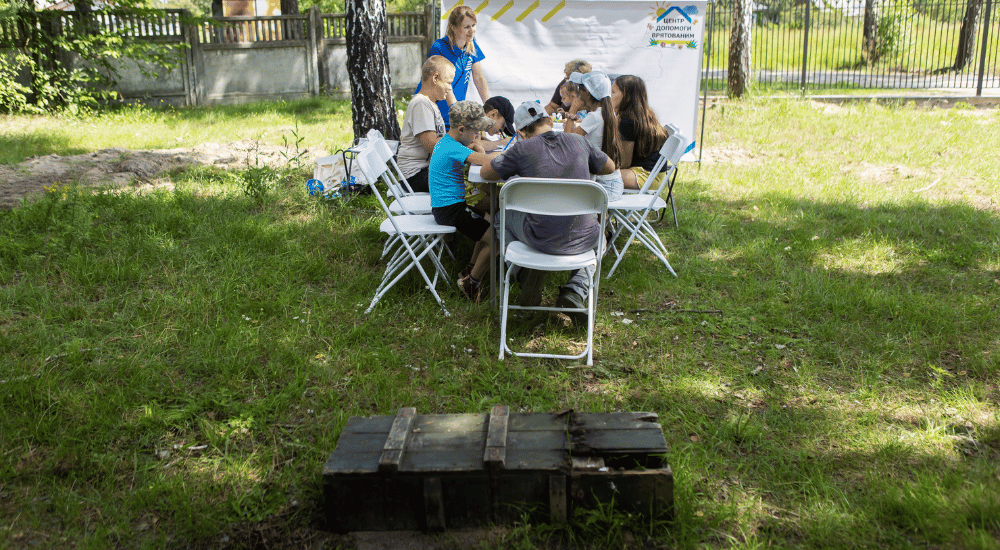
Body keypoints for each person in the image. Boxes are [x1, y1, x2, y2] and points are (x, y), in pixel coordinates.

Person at [480, 101, 614, 323]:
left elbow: (486, 174)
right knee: (602, 236)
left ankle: (523, 272)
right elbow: (609, 167)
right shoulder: (580, 142)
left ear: (522, 133)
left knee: (499, 218)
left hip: (538, 238)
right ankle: (575, 289)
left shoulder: (522, 149)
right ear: (550, 121)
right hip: (584, 238)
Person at [428, 101, 501, 302]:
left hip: (448, 206)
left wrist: (478, 146)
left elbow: (479, 155)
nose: (478, 135)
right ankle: (471, 284)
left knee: (488, 228)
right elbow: (487, 162)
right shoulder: (453, 148)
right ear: (462, 129)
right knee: (495, 239)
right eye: (476, 131)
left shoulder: (447, 142)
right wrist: (508, 155)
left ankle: (468, 271)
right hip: (450, 209)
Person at [415, 5, 491, 128]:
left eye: (473, 25)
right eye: (467, 27)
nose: (471, 30)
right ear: (453, 27)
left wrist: (489, 109)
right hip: (435, 112)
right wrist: (459, 115)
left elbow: (479, 79)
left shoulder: (471, 45)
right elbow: (446, 85)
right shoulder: (439, 47)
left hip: (453, 113)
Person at [562, 71, 625, 202]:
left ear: (588, 93)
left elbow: (567, 142)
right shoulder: (606, 112)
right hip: (611, 183)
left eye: (580, 89)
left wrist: (572, 111)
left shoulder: (594, 116)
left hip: (603, 187)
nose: (578, 94)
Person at [397, 56, 453, 193]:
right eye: (448, 83)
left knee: (465, 176)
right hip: (414, 176)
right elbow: (431, 145)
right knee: (463, 184)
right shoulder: (421, 103)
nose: (450, 89)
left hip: (423, 171)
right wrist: (457, 137)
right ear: (435, 78)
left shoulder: (431, 104)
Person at [611, 74, 671, 191]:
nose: (609, 96)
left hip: (646, 176)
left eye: (613, 92)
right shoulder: (642, 114)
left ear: (626, 97)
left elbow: (624, 163)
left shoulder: (627, 122)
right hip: (655, 174)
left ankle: (602, 209)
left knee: (598, 176)